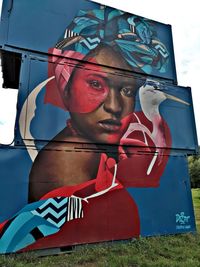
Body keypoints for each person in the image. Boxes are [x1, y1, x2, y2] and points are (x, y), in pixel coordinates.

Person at [0, 7, 171, 253]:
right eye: (95, 84)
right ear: (66, 87)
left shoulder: (97, 152)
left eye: (127, 91)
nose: (114, 107)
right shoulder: (65, 168)